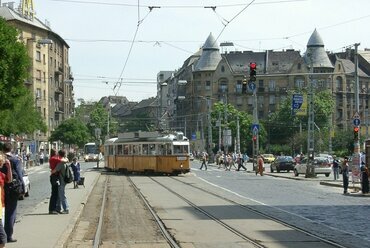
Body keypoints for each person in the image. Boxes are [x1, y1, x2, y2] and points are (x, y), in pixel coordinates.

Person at [0, 143, 24, 243]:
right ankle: (8, 235)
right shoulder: (15, 159)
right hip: (12, 187)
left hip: (2, 187)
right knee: (11, 211)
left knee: (1, 211)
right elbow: (19, 174)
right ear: (12, 149)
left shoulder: (2, 158)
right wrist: (22, 187)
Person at [0, 152, 13, 247]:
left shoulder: (1, 174)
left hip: (1, 204)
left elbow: (9, 180)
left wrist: (9, 168)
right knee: (2, 238)